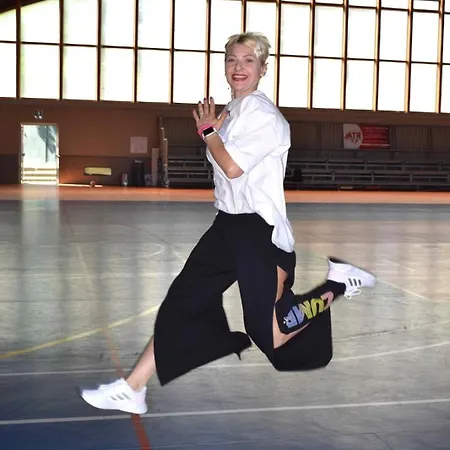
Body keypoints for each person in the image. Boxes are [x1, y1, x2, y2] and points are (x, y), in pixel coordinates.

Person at [80, 32, 376, 415]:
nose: (239, 67)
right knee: (183, 302)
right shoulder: (232, 112)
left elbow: (233, 168)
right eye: (232, 59)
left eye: (249, 60)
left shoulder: (264, 116)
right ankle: (133, 389)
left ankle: (338, 284)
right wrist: (215, 131)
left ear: (263, 68)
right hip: (227, 226)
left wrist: (209, 132)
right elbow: (225, 163)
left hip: (260, 232)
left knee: (272, 335)